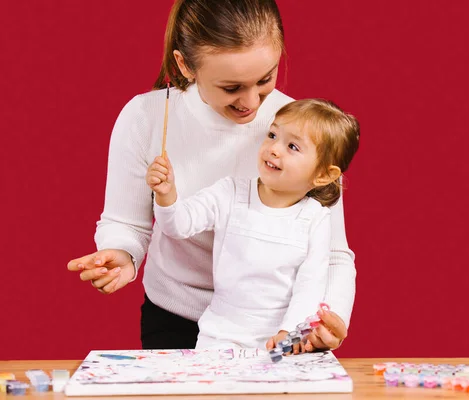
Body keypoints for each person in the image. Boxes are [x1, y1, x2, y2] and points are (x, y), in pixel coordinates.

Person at [67, 0, 356, 352]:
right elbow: (127, 223)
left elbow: (334, 254)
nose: (251, 102)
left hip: (277, 328)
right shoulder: (145, 116)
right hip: (175, 319)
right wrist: (122, 254)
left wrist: (333, 317)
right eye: (232, 88)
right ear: (185, 65)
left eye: (265, 79)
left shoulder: (301, 131)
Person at [147, 99, 359, 352]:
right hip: (218, 339)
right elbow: (178, 226)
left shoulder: (316, 218)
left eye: (292, 146)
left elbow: (311, 286)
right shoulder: (230, 193)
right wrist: (166, 194)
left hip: (282, 345)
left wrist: (289, 336)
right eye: (272, 135)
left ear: (324, 175)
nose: (273, 149)